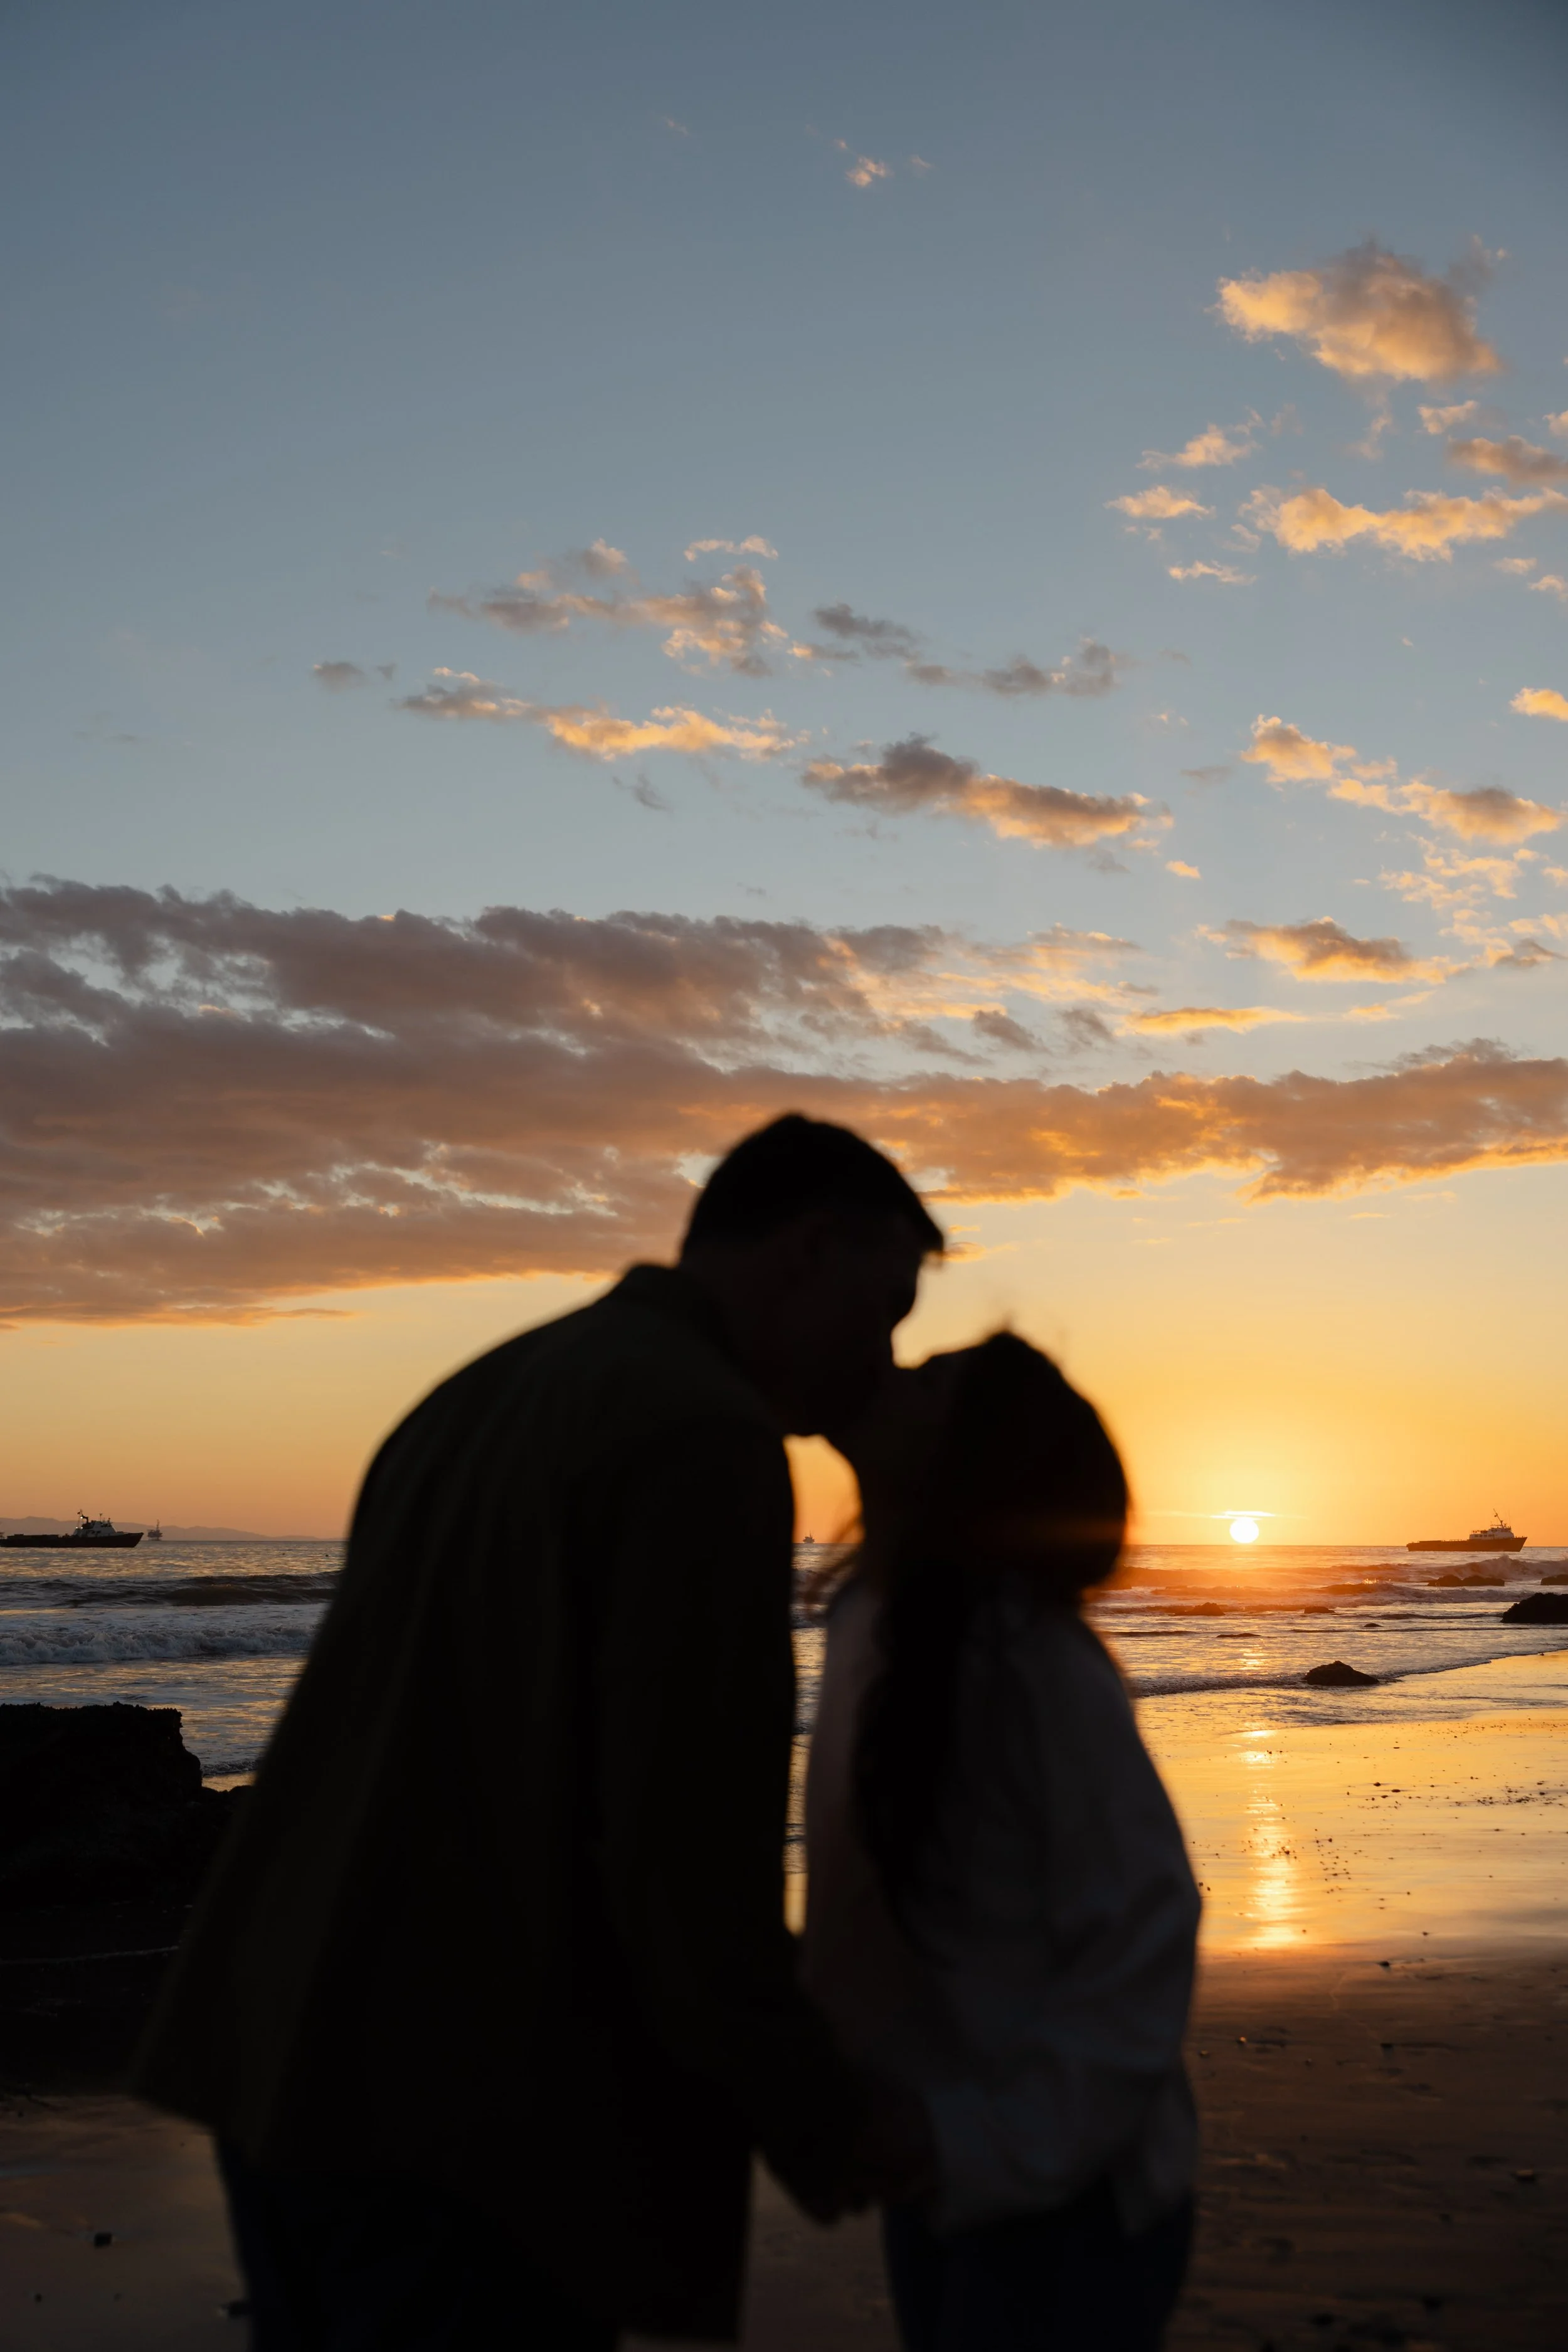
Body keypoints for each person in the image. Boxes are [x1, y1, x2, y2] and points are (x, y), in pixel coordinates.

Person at [134, 1113, 943, 2349]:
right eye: (884, 1311)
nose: (882, 1362)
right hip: (468, 2116)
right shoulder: (699, 1435)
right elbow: (680, 1858)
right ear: (807, 1252)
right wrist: (823, 2119)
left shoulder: (484, 1391)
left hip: (282, 2056)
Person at [803, 1334, 1201, 2352]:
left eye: (927, 1381)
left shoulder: (1033, 1663)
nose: (888, 1374)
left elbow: (1145, 1932)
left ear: (969, 1458)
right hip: (949, 2172)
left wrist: (976, 2137)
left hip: (1066, 2191)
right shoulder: (871, 1620)